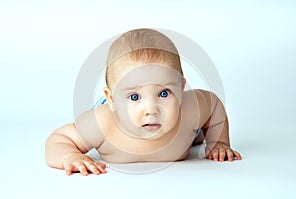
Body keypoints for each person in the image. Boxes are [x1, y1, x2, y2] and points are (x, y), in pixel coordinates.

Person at [45, 28, 242, 176]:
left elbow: (214, 104)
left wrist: (218, 142)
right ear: (111, 98)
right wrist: (69, 157)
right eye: (135, 97)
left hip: (185, 126)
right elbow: (59, 140)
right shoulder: (102, 123)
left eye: (164, 93)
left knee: (196, 131)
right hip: (116, 115)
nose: (152, 110)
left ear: (181, 90)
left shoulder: (190, 110)